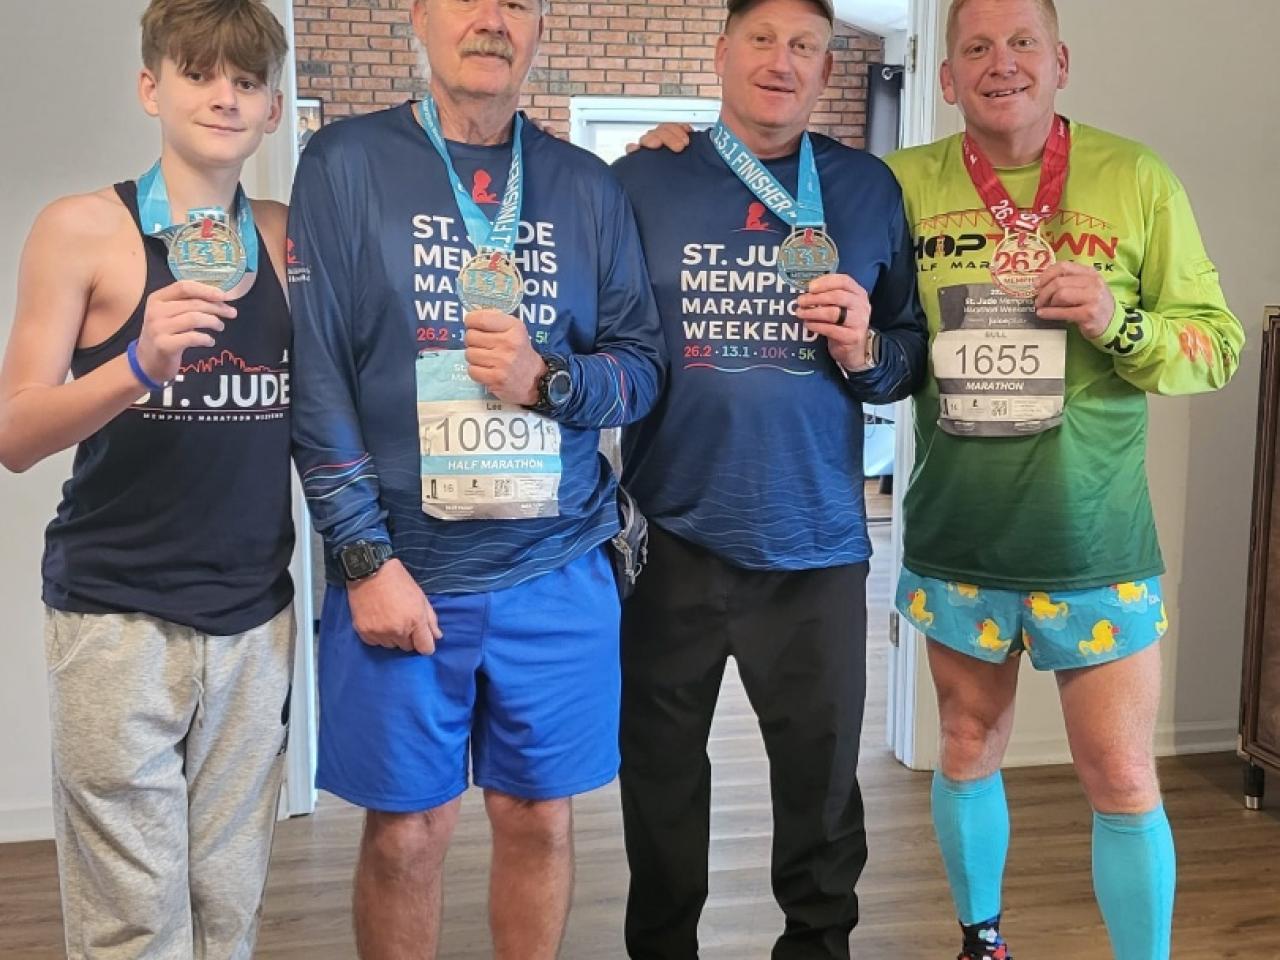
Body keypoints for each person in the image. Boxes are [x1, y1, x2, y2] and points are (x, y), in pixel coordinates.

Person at [285, 0, 665, 956]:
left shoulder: (585, 188)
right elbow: (317, 377)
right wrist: (363, 557)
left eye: (519, 3)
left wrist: (551, 379)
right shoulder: (345, 167)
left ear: (539, 26)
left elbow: (642, 368)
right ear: (419, 15)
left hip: (559, 565)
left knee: (539, 819)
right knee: (408, 836)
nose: (492, 18)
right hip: (406, 574)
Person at [884, 1, 1244, 957]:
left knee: (1122, 775)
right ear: (948, 77)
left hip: (1095, 544)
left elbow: (1216, 347)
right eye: (975, 48)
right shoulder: (901, 183)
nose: (1001, 64)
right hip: (960, 535)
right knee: (965, 748)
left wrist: (1117, 323)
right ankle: (982, 940)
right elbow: (790, 218)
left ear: (1061, 62)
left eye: (1022, 43)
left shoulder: (1135, 177)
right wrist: (688, 154)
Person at [612, 1, 927, 956]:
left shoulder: (867, 187)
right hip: (672, 535)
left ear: (828, 70)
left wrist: (868, 346)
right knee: (661, 783)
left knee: (823, 791)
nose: (781, 63)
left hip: (820, 543)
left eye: (804, 48)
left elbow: (909, 356)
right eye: (761, 40)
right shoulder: (642, 180)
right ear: (721, 54)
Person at [0, 1, 295, 957]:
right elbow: (13, 432)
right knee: (133, 920)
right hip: (115, 617)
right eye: (202, 73)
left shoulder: (292, 237)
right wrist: (132, 368)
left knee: (229, 901)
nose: (224, 96)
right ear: (150, 88)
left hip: (254, 616)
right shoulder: (80, 228)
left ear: (274, 110)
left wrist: (661, 151)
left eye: (247, 82)